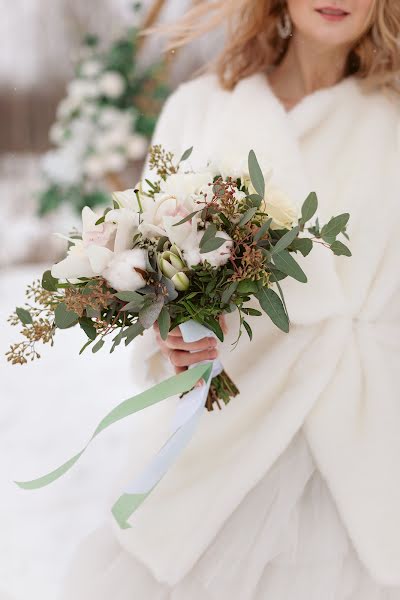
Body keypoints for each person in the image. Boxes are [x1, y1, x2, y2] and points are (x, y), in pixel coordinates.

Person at [62, 1, 400, 598]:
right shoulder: (200, 110)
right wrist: (169, 335)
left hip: (357, 455)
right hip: (220, 443)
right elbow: (144, 268)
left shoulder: (392, 117)